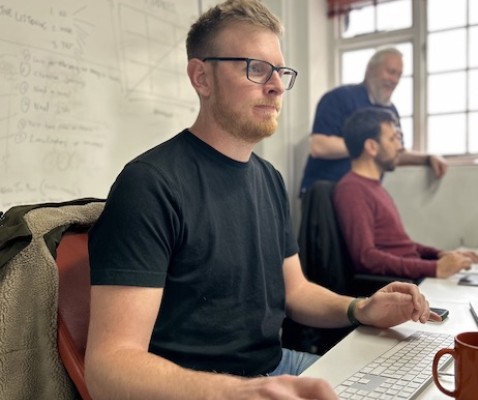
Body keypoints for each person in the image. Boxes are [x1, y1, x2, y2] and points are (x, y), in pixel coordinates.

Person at [84, 2, 440, 399]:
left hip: (273, 368)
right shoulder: (150, 184)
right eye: (255, 68)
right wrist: (238, 393)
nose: (274, 85)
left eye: (281, 72)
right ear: (201, 77)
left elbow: (296, 292)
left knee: (426, 381)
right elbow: (107, 366)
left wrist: (359, 308)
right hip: (199, 390)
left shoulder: (270, 179)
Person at [333, 107, 478, 281]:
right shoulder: (352, 189)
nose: (400, 147)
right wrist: (433, 268)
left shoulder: (374, 187)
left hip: (413, 276)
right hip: (403, 284)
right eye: (394, 138)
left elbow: (401, 246)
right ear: (372, 147)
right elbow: (366, 258)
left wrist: (441, 255)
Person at [299, 47, 448, 195]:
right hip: (327, 193)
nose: (395, 80)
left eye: (399, 75)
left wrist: (428, 158)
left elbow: (394, 152)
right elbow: (319, 146)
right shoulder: (338, 98)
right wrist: (370, 145)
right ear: (370, 69)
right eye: (390, 72)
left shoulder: (391, 112)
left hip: (363, 193)